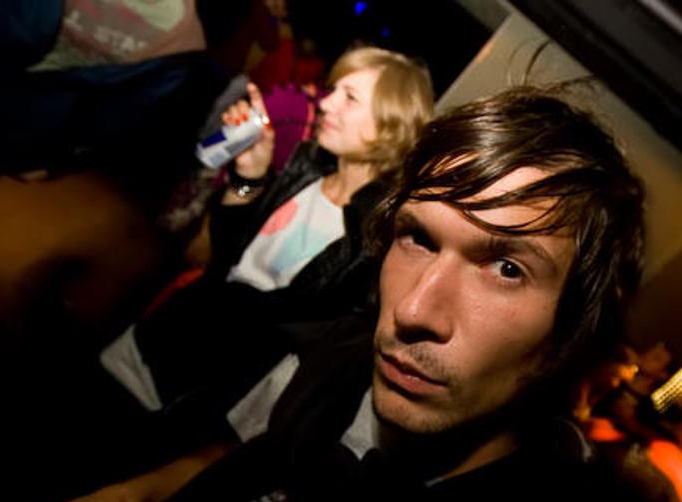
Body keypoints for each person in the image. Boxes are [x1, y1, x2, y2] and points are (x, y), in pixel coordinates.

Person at [0, 85, 671, 502]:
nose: (415, 311)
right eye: (418, 237)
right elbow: (225, 463)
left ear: (569, 337)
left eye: (506, 268)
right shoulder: (322, 372)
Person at [100, 45, 434, 417]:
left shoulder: (375, 237)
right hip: (156, 339)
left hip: (199, 390)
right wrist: (251, 176)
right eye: (334, 90)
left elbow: (297, 331)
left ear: (391, 126)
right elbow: (222, 255)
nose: (326, 103)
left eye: (350, 98)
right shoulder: (305, 169)